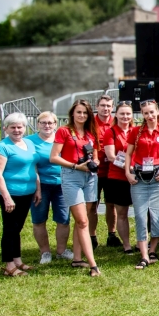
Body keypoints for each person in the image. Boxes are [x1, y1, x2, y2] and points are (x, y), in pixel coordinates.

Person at [49, 100, 101, 276]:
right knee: (83, 221)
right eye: (79, 112)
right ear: (72, 113)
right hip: (72, 175)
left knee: (82, 221)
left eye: (85, 113)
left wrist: (95, 162)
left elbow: (95, 155)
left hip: (90, 177)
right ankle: (93, 265)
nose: (82, 116)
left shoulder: (91, 132)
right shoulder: (64, 131)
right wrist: (75, 166)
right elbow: (54, 157)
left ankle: (77, 259)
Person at [124, 99, 159, 268]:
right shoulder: (136, 132)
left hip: (157, 177)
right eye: (146, 113)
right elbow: (128, 154)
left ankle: (152, 249)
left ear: (157, 111)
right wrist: (127, 172)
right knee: (140, 215)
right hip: (139, 177)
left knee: (157, 215)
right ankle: (144, 255)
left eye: (152, 112)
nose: (150, 115)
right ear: (142, 115)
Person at [0, 113, 39, 276]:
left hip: (27, 192)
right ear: (5, 129)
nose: (17, 130)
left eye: (20, 127)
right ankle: (9, 265)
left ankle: (18, 260)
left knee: (17, 228)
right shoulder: (2, 147)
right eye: (12, 127)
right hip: (11, 194)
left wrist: (37, 189)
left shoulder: (28, 143)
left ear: (24, 128)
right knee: (10, 229)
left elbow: (34, 167)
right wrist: (7, 198)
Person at [26, 111, 71, 263]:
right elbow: (30, 165)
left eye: (50, 123)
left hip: (62, 185)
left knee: (63, 219)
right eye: (43, 123)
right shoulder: (29, 141)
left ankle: (61, 250)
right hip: (40, 186)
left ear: (55, 125)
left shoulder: (62, 139)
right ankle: (45, 252)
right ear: (37, 124)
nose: (47, 126)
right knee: (39, 219)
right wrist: (37, 187)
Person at [101, 102, 135, 254]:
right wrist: (129, 168)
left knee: (143, 211)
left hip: (136, 177)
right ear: (116, 115)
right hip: (117, 178)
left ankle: (144, 243)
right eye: (122, 114)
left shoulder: (136, 131)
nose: (125, 117)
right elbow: (111, 156)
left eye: (128, 114)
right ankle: (126, 245)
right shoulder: (111, 132)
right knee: (122, 213)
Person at [91, 93, 116, 249]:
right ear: (97, 107)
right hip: (94, 172)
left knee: (111, 204)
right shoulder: (90, 124)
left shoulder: (116, 122)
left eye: (108, 106)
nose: (105, 108)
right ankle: (92, 236)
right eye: (103, 105)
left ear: (112, 108)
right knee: (93, 205)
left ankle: (111, 234)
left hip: (112, 171)